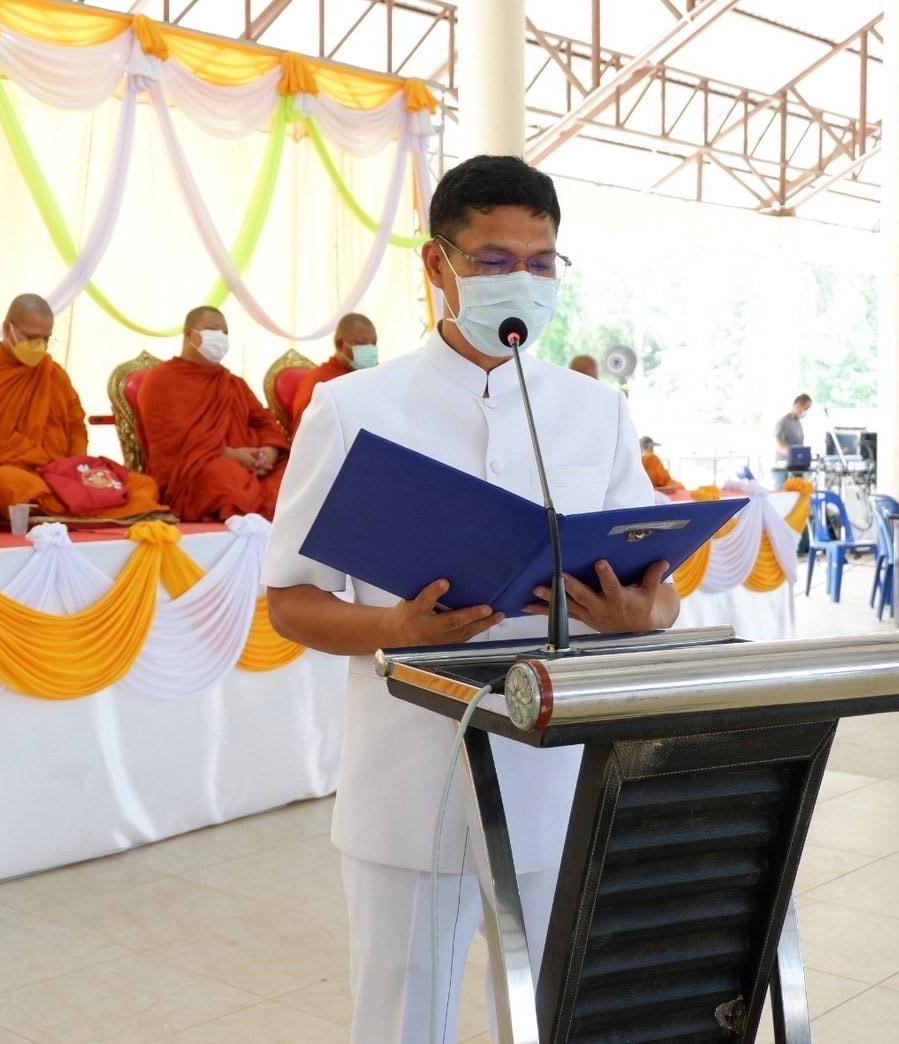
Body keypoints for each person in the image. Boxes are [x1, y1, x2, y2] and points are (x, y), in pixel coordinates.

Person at [262, 154, 674, 1044]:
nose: (520, 280)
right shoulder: (351, 408)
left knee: (556, 1017)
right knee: (402, 1018)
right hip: (410, 773)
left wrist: (641, 615)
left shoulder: (594, 411)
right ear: (436, 265)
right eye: (493, 261)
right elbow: (290, 601)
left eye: (540, 262)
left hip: (557, 768)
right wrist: (393, 626)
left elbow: (658, 591)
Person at [0, 294, 164, 522]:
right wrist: (40, 459)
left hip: (63, 473)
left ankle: (68, 505)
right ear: (7, 329)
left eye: (45, 339)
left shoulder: (52, 372)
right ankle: (87, 505)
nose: (39, 346)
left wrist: (75, 467)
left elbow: (75, 426)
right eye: (31, 337)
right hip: (15, 471)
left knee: (142, 484)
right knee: (7, 484)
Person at [137, 306, 289, 522]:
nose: (220, 337)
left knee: (295, 472)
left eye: (225, 332)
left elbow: (265, 421)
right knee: (222, 477)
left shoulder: (231, 382)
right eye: (212, 329)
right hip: (197, 472)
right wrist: (233, 456)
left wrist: (269, 452)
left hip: (257, 467)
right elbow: (172, 446)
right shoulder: (161, 381)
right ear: (189, 334)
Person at [290, 313, 378, 434]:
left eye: (374, 343)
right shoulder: (319, 382)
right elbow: (305, 433)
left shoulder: (374, 377)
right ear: (339, 344)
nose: (371, 349)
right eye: (362, 343)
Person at [774, 394, 810, 459]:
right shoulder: (783, 422)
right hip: (784, 462)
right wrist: (793, 453)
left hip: (796, 461)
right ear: (797, 405)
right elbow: (779, 446)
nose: (805, 411)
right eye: (805, 409)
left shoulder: (798, 422)